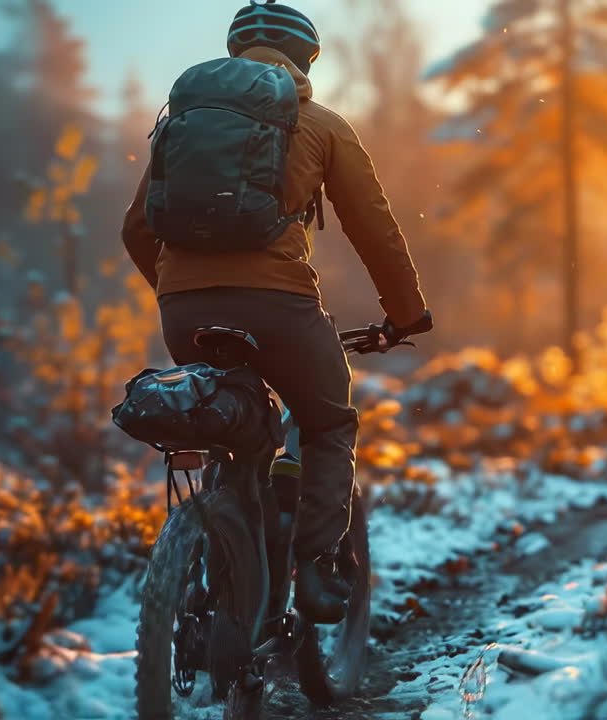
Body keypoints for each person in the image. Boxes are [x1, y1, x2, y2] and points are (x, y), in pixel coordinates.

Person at [121, 0, 432, 623]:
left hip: (183, 311)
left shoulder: (181, 122)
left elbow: (136, 229)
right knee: (326, 421)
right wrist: (405, 315)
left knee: (232, 427)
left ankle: (224, 564)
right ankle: (315, 566)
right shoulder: (321, 123)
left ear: (234, 54)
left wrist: (181, 288)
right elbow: (374, 229)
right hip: (280, 308)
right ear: (307, 58)